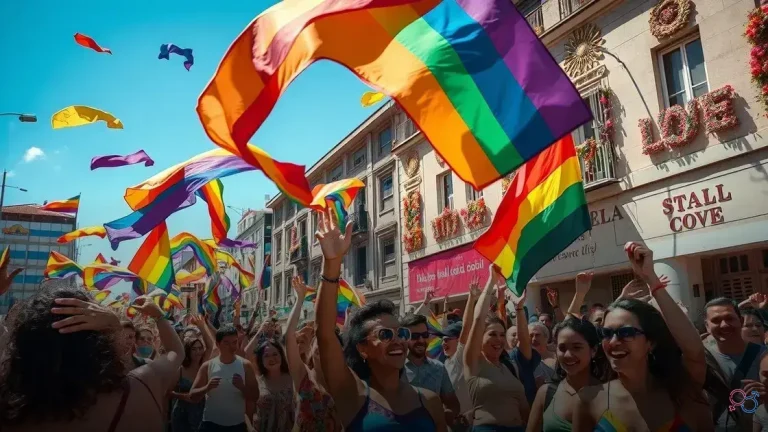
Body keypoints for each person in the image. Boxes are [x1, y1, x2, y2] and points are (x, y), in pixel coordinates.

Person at [313, 209, 446, 431]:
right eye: (385, 334)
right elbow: (325, 334)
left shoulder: (430, 401)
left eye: (402, 333)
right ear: (363, 349)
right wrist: (332, 263)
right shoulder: (352, 395)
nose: (398, 341)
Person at [0, 283, 184, 431]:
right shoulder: (138, 390)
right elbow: (176, 352)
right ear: (99, 341)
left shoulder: (8, 405)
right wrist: (117, 323)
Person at [573, 243, 712, 431]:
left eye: (626, 333)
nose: (613, 342)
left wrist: (651, 279)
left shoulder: (680, 391)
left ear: (650, 342)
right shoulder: (589, 400)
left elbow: (694, 352)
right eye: (606, 333)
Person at [464, 267, 530, 431]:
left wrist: (519, 308)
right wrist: (491, 280)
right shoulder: (474, 362)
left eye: (502, 335)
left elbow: (524, 409)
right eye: (492, 334)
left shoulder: (510, 366)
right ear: (480, 338)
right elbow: (478, 319)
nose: (499, 340)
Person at [526, 316, 610, 432]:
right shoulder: (546, 394)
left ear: (594, 350)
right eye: (562, 348)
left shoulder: (610, 395)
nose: (568, 355)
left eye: (577, 347)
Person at [286, 275, 341, 431]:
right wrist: (299, 300)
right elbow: (289, 336)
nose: (324, 349)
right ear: (312, 348)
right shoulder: (303, 376)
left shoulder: (345, 379)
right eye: (320, 344)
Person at [704, 297, 767, 431]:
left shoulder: (764, 357)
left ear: (741, 320)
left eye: (729, 318)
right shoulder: (703, 359)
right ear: (707, 326)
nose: (724, 325)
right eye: (716, 320)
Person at [189, 325, 259, 432]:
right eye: (226, 343)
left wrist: (242, 387)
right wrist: (207, 388)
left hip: (237, 425)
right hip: (210, 425)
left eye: (234, 342)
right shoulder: (208, 366)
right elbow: (192, 396)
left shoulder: (246, 366)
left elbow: (255, 396)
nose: (231, 346)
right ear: (217, 344)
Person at [439, 276, 483, 431]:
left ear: (458, 341)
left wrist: (471, 298)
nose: (443, 343)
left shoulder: (460, 358)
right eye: (442, 340)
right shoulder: (445, 363)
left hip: (469, 424)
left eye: (447, 339)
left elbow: (466, 329)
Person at [400, 312, 460, 424]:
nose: (421, 340)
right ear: (403, 337)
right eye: (415, 336)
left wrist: (446, 414)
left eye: (425, 335)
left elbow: (453, 405)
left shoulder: (438, 368)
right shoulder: (394, 369)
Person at [170, 315, 215, 432]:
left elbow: (210, 346)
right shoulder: (180, 370)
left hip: (201, 413)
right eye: (194, 349)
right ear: (188, 351)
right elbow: (168, 392)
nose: (198, 352)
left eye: (200, 348)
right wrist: (184, 396)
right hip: (182, 415)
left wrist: (202, 326)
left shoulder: (203, 366)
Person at [253, 340, 295, 431]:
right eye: (266, 356)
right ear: (261, 360)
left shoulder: (293, 379)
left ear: (281, 355)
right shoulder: (256, 382)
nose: (271, 358)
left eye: (275, 354)